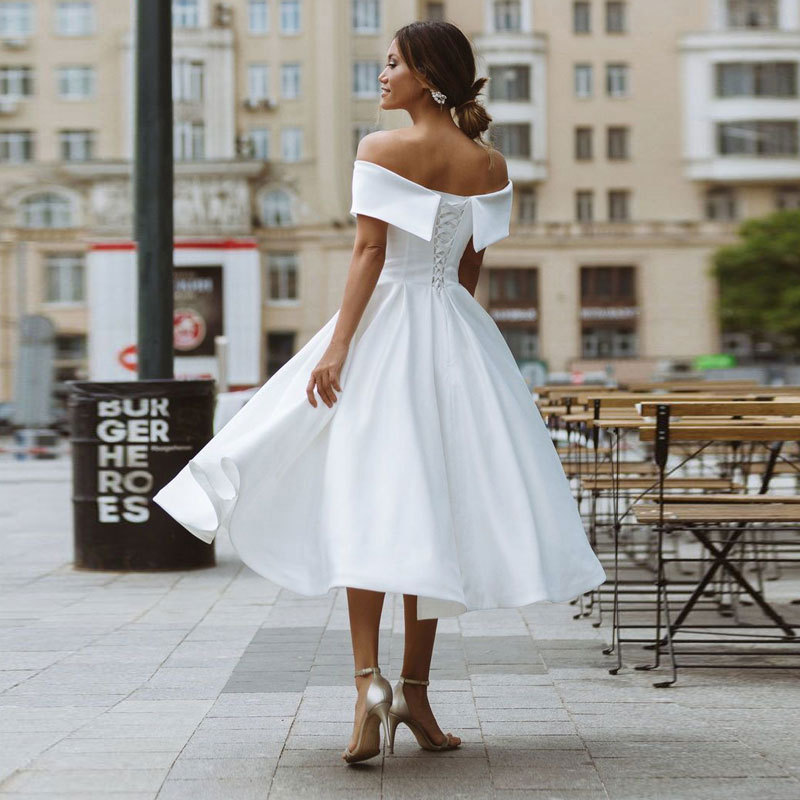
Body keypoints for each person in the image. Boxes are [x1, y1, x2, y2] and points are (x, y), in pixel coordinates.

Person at [153, 20, 606, 765]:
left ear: (426, 74)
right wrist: (463, 348)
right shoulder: (489, 163)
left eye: (392, 64)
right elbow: (467, 271)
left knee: (372, 505)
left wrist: (337, 348)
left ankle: (370, 690)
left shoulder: (380, 149)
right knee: (433, 513)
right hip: (456, 336)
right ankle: (416, 692)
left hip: (384, 330)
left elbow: (368, 250)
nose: (381, 76)